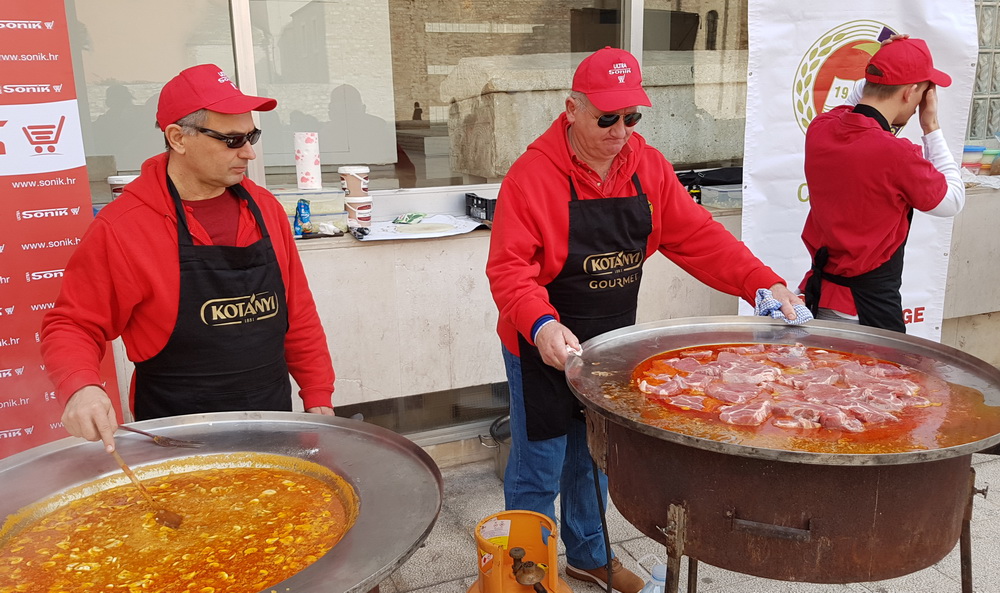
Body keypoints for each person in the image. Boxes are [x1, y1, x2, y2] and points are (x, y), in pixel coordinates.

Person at [485, 46, 802, 593]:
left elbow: (699, 238)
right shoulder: (532, 177)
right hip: (540, 344)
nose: (620, 130)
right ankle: (523, 573)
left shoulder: (646, 168)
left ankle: (590, 557)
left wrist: (760, 282)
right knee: (538, 467)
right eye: (606, 117)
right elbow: (510, 270)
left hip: (607, 348)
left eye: (632, 117)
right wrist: (541, 325)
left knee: (596, 459)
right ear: (572, 109)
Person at [41, 64, 336, 452]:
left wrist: (317, 394)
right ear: (178, 138)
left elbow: (297, 311)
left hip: (271, 420)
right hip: (175, 435)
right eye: (232, 140)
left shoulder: (263, 208)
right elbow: (72, 324)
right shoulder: (125, 227)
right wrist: (81, 386)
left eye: (252, 135)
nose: (249, 152)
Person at [800, 36, 965, 332]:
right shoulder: (897, 154)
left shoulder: (821, 128)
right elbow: (952, 201)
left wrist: (887, 58)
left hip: (821, 298)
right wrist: (931, 126)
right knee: (878, 379)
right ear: (912, 92)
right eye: (923, 93)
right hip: (867, 310)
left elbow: (858, 102)